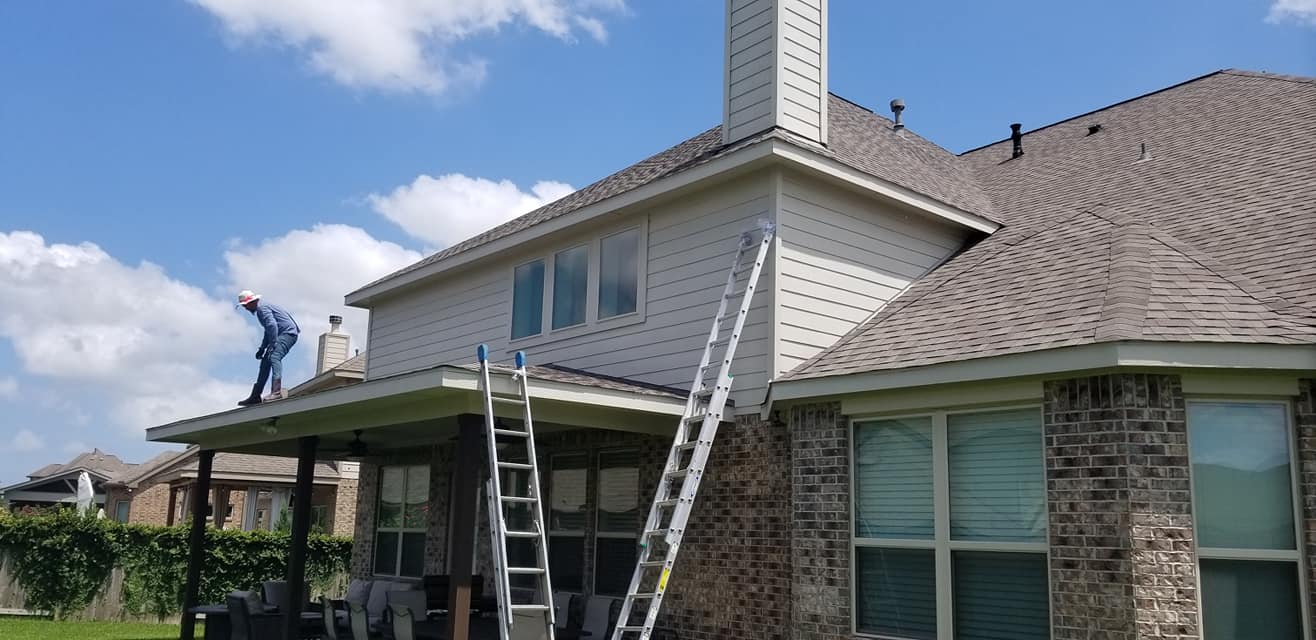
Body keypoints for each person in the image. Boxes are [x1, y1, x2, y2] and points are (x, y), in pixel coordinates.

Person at [236, 290, 300, 406]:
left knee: (274, 357)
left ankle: (276, 392)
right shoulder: (262, 309)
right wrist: (262, 348)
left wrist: (273, 343)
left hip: (288, 334)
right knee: (265, 362)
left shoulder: (262, 309)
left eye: (245, 305)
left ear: (251, 302)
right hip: (282, 334)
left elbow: (272, 326)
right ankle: (256, 395)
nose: (245, 308)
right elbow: (269, 330)